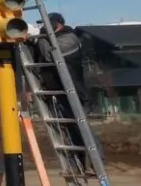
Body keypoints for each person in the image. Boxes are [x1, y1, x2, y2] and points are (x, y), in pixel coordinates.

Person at [34, 12, 98, 171]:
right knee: (67, 131)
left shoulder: (70, 39)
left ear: (58, 24)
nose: (43, 27)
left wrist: (40, 39)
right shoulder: (48, 40)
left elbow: (51, 56)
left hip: (73, 92)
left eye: (47, 23)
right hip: (56, 92)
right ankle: (77, 164)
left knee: (80, 127)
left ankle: (96, 161)